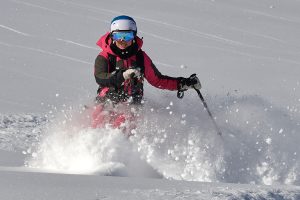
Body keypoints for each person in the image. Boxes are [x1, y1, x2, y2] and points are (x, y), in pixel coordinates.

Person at [92, 15, 201, 130]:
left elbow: (157, 80)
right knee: (99, 126)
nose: (122, 40)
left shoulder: (140, 58)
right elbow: (100, 78)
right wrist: (122, 75)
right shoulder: (104, 56)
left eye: (127, 36)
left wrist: (182, 83)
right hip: (106, 104)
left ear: (134, 36)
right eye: (118, 35)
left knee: (124, 129)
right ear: (112, 36)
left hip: (131, 107)